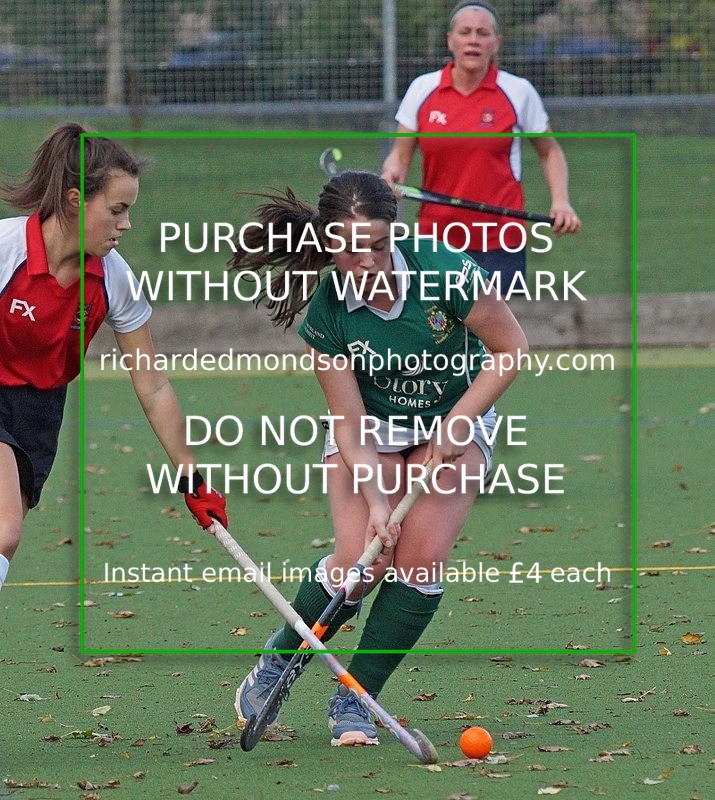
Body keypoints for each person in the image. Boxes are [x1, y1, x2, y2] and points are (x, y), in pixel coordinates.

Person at [229, 171, 527, 746]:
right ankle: (279, 661)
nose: (366, 262)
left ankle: (357, 696)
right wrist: (376, 501)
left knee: (421, 561)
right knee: (360, 566)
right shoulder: (328, 313)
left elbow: (511, 348)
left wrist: (460, 419)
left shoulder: (446, 272)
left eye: (377, 246)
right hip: (373, 428)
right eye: (349, 249)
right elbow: (348, 423)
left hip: (455, 412)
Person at [0, 122, 227, 592]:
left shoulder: (113, 279)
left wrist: (191, 473)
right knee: (5, 530)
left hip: (39, 413)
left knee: (4, 542)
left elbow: (153, 385)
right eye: (117, 210)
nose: (126, 225)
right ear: (74, 200)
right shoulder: (7, 249)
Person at [381, 1, 582, 289]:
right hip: (436, 240)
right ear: (450, 40)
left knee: (500, 320)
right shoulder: (422, 89)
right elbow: (399, 156)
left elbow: (549, 151)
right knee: (437, 319)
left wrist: (561, 201)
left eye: (482, 33)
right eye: (465, 32)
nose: (473, 40)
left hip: (501, 242)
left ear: (496, 43)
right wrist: (391, 175)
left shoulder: (518, 92)